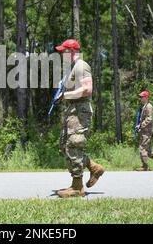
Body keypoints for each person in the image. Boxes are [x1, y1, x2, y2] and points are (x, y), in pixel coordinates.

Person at [54, 39, 105, 198]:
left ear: (71, 51)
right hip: (72, 110)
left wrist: (65, 95)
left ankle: (77, 187)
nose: (62, 54)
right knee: (65, 146)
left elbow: (88, 90)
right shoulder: (71, 68)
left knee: (74, 145)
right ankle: (94, 167)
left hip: (80, 111)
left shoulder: (82, 65)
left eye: (64, 51)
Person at [135, 91, 153, 171]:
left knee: (142, 148)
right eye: (140, 97)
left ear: (146, 97)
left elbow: (149, 118)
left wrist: (141, 125)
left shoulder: (149, 107)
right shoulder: (144, 106)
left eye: (142, 97)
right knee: (147, 150)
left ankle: (145, 166)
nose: (140, 98)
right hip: (144, 131)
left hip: (146, 131)